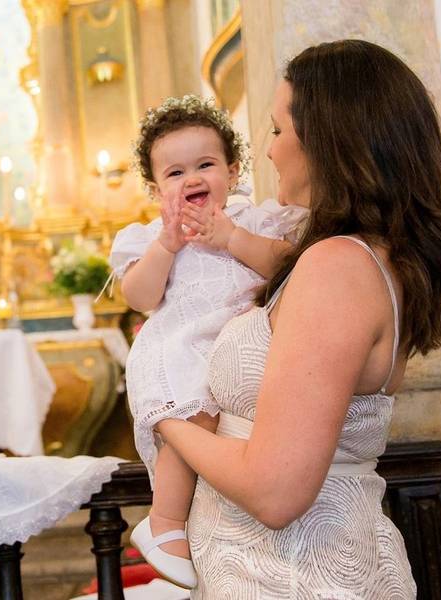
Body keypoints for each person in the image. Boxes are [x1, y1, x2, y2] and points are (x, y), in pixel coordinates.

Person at [155, 40, 441, 598]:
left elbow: (276, 491)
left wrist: (168, 419)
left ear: (329, 141)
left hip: (292, 574)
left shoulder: (338, 267)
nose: (270, 151)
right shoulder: (366, 257)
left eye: (278, 131)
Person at [109, 95, 306, 588]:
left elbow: (288, 267)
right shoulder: (155, 235)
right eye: (175, 174)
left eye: (205, 164)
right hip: (182, 345)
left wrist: (232, 238)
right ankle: (165, 521)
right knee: (196, 417)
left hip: (243, 345)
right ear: (156, 190)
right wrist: (167, 247)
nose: (192, 178)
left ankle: (216, 527)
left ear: (233, 170)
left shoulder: (255, 220)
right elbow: (139, 295)